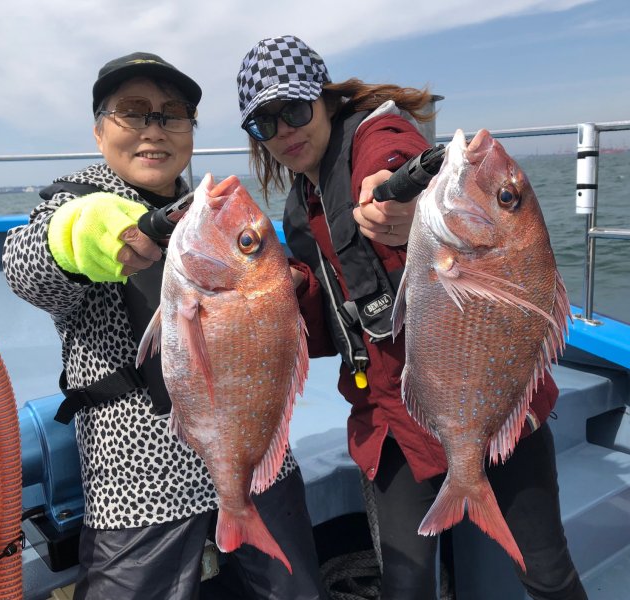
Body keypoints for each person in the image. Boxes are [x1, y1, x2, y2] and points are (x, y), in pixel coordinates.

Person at [236, 34, 588, 600]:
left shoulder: (375, 137)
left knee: (547, 572)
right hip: (390, 418)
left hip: (498, 401)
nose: (283, 131)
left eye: (295, 109)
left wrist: (406, 198)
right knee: (405, 584)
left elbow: (394, 156)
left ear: (326, 99)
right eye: (264, 123)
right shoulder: (302, 208)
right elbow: (330, 329)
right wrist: (291, 292)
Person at [3, 51, 327, 600]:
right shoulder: (73, 204)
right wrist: (77, 235)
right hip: (138, 475)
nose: (154, 129)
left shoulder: (204, 210)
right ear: (99, 132)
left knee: (296, 591)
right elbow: (25, 268)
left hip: (254, 456)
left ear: (191, 133)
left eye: (172, 114)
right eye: (133, 112)